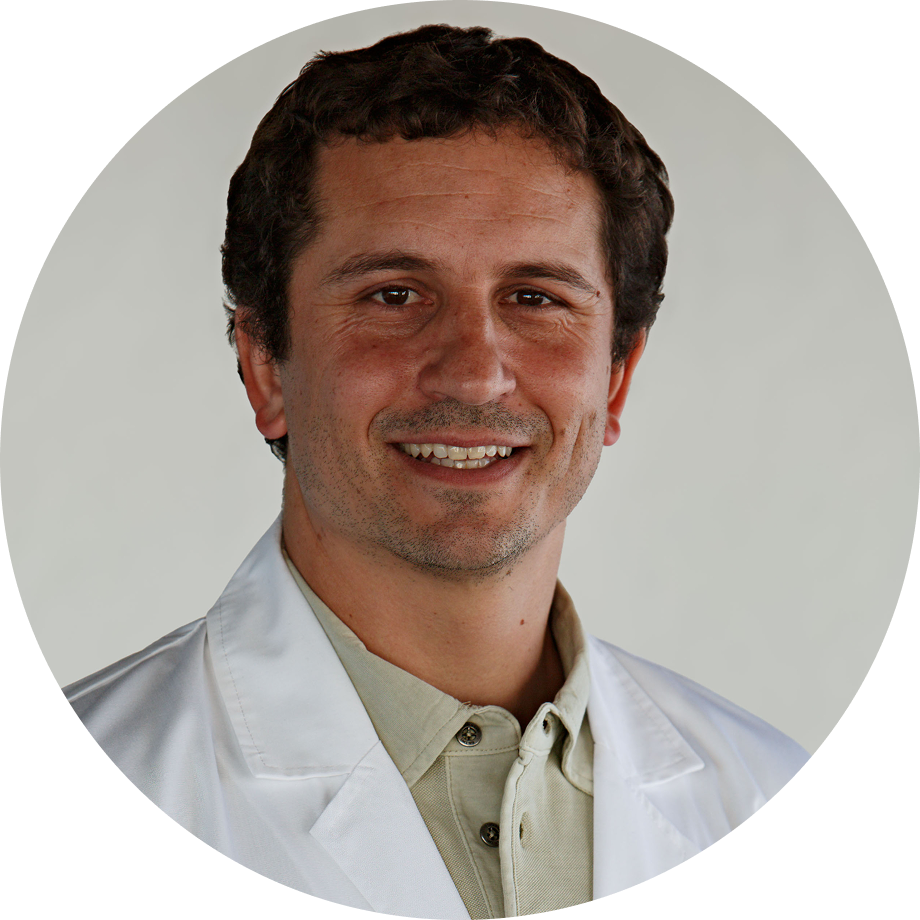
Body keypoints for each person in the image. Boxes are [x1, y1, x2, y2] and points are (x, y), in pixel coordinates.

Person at [64, 25, 809, 915]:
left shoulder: (761, 784)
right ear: (265, 367)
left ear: (615, 378)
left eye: (535, 298)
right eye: (394, 295)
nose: (473, 373)